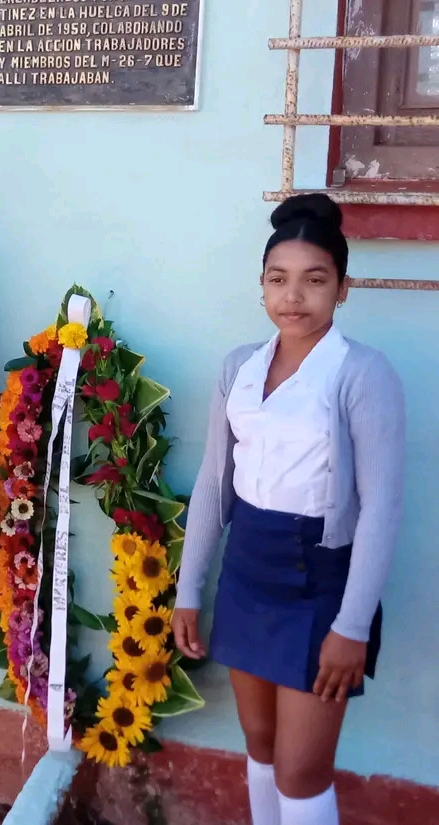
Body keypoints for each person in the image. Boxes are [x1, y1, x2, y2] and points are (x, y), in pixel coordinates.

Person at [172, 194, 406, 825]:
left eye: (315, 280)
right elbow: (214, 487)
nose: (294, 297)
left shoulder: (361, 373)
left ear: (343, 289)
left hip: (320, 585)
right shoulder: (238, 368)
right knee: (263, 747)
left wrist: (351, 626)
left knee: (303, 771)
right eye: (278, 280)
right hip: (249, 572)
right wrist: (189, 589)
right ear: (262, 286)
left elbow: (382, 506)